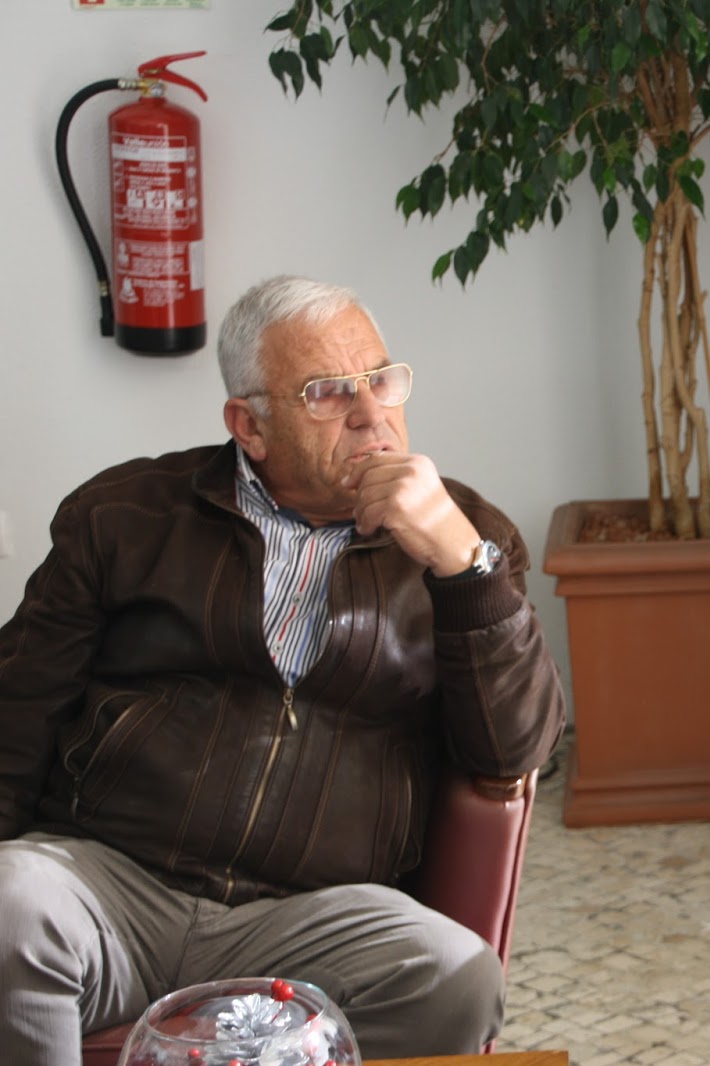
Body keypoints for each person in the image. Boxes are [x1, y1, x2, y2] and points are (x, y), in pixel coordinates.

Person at [0, 275, 567, 1064]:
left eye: (381, 380)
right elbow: (18, 710)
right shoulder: (126, 516)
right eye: (328, 393)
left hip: (313, 918)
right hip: (114, 889)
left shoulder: (469, 537)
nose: (371, 414)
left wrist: (462, 566)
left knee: (456, 978)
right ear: (250, 425)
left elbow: (514, 753)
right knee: (11, 902)